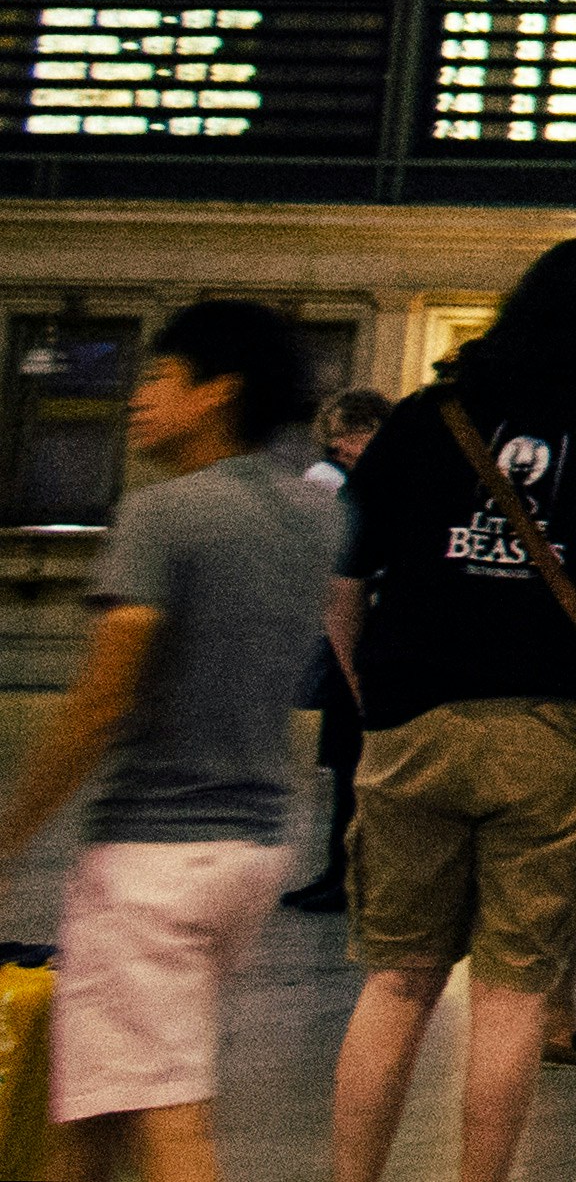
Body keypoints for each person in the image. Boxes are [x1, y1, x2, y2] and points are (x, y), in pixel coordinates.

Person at [328, 235, 576, 1182]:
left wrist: (375, 698)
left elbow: (342, 577)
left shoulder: (430, 416)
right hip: (556, 732)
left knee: (397, 979)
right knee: (510, 995)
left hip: (415, 720)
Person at [0, 300, 334, 1182]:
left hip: (153, 859)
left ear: (217, 391)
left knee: (168, 1120)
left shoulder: (163, 514)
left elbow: (103, 699)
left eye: (159, 376)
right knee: (94, 1112)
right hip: (253, 847)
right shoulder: (313, 515)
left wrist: (10, 832)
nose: (137, 396)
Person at [283, 387, 387, 914]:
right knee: (345, 763)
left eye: (348, 437)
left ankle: (351, 875)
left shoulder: (381, 488)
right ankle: (337, 870)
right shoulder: (358, 487)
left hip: (369, 638)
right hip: (351, 636)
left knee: (359, 768)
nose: (339, 449)